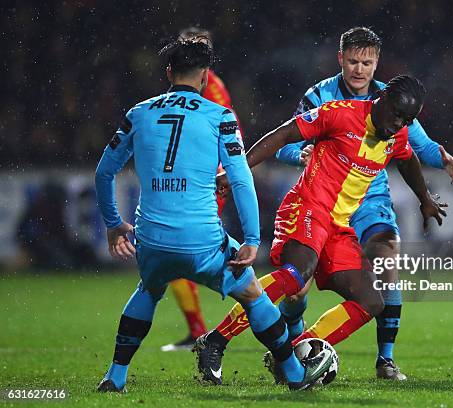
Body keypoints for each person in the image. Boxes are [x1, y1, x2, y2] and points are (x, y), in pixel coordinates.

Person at [204, 27, 453, 381]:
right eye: (353, 60)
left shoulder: (395, 128)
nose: (398, 126)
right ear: (381, 101)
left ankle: (298, 351)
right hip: (308, 207)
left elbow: (407, 157)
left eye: (405, 121)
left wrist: (425, 199)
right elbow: (283, 135)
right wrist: (238, 171)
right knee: (297, 278)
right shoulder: (335, 110)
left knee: (373, 301)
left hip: (341, 222)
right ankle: (216, 340)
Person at [94, 37, 332, 392]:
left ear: (169, 72)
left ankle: (115, 376)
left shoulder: (138, 114)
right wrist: (252, 239)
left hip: (152, 240)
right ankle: (296, 375)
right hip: (203, 241)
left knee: (149, 288)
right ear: (205, 76)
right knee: (254, 295)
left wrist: (114, 224)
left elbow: (103, 173)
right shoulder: (220, 116)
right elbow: (239, 178)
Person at [161, 26, 244, 353]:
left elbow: (229, 129)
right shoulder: (184, 90)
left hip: (206, 183)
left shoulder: (214, 90)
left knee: (185, 254)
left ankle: (258, 301)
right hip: (189, 181)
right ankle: (201, 328)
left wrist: (223, 173)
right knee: (179, 256)